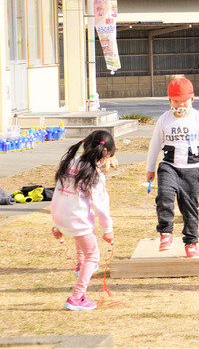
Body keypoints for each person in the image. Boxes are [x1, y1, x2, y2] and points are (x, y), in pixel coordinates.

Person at [146, 77, 199, 259]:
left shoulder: (198, 119)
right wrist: (150, 168)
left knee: (189, 208)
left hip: (192, 170)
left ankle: (191, 243)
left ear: (192, 99)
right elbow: (154, 145)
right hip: (169, 166)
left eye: (184, 101)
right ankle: (166, 232)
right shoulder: (164, 120)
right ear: (169, 101)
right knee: (164, 197)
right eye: (176, 102)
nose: (180, 105)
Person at [50, 130, 116, 311]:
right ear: (105, 155)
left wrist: (55, 224)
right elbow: (101, 206)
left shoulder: (69, 163)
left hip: (62, 218)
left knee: (84, 239)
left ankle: (81, 265)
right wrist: (107, 230)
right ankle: (77, 297)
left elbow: (58, 193)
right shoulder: (95, 175)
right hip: (77, 222)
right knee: (93, 257)